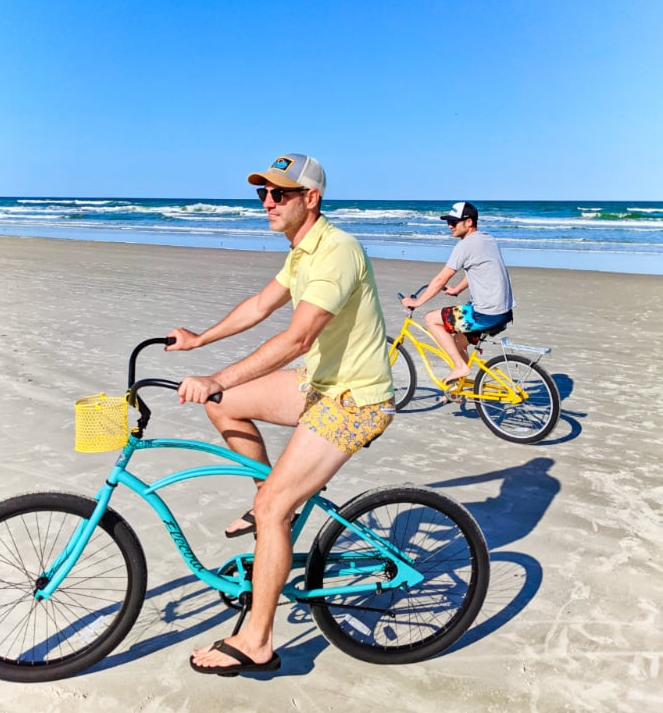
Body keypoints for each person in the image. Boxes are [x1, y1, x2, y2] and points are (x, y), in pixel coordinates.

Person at [166, 153, 395, 676]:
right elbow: (258, 306)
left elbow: (298, 337)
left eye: (280, 194)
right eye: (263, 194)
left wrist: (218, 377)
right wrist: (199, 339)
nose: (267, 203)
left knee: (270, 508)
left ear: (310, 199)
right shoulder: (301, 252)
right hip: (318, 387)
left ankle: (258, 641)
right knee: (228, 411)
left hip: (353, 401)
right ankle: (275, 506)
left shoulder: (336, 251)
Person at [401, 201, 513, 382]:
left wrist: (416, 302)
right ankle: (461, 387)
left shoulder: (464, 246)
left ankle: (460, 367)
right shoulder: (488, 239)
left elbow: (441, 279)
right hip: (503, 311)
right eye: (448, 222)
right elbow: (477, 269)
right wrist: (458, 289)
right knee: (459, 342)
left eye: (454, 222)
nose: (449, 226)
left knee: (431, 318)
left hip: (485, 313)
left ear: (469, 222)